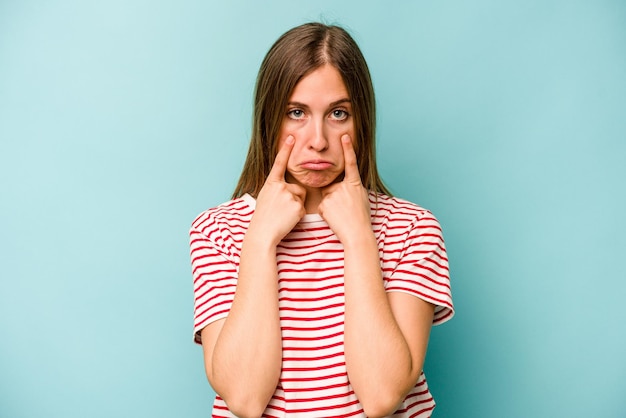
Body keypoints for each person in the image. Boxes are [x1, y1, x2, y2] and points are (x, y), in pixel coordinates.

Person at [190, 22, 454, 418]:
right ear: (269, 121)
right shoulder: (218, 231)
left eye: (338, 113)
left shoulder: (412, 228)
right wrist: (260, 239)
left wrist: (359, 236)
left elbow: (382, 396)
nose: (318, 139)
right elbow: (244, 399)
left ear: (360, 120)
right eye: (296, 112)